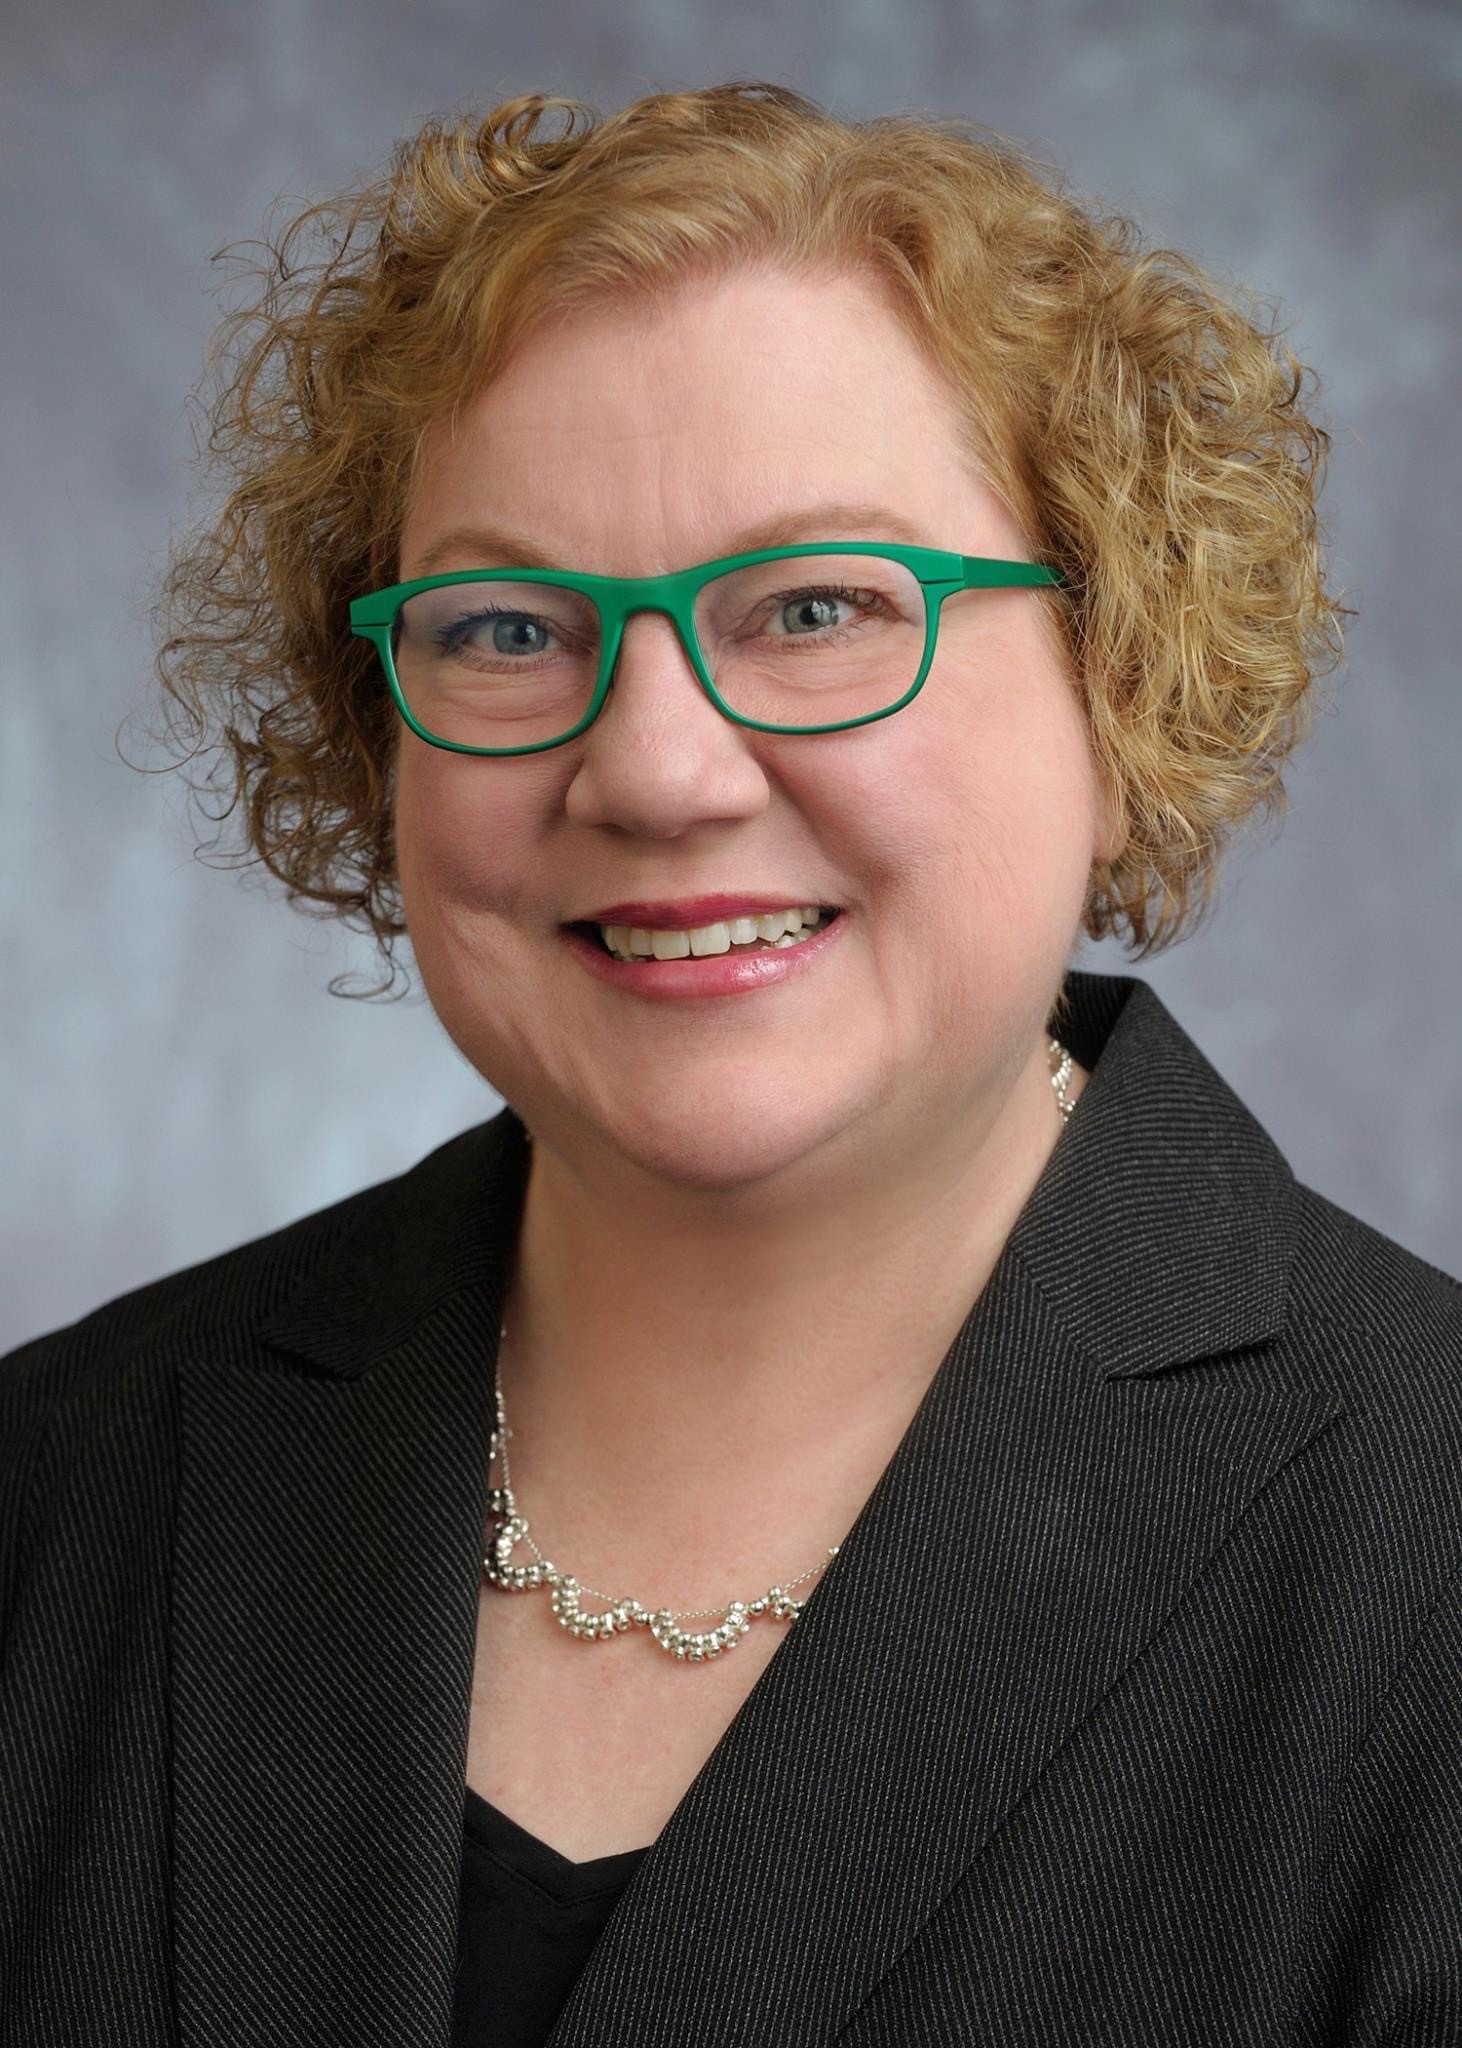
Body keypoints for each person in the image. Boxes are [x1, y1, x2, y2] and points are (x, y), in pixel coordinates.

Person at [2, 78, 1457, 2048]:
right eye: (509, 626)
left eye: (816, 610)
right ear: (382, 737)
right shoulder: (54, 1492)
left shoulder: (1418, 1547)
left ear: (1120, 676)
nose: (657, 769)